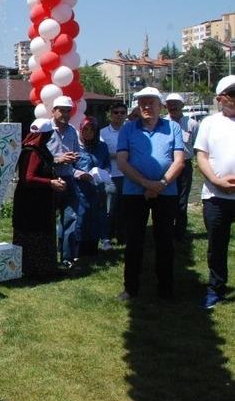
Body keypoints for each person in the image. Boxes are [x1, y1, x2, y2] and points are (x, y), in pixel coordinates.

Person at [116, 87, 184, 300]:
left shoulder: (172, 127)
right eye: (142, 103)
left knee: (164, 240)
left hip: (166, 192)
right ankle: (131, 288)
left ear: (160, 105)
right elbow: (121, 162)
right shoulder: (128, 129)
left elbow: (179, 161)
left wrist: (160, 184)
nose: (146, 106)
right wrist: (146, 183)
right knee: (134, 241)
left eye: (151, 103)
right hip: (134, 193)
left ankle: (166, 288)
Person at [195, 76, 235, 309]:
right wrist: (216, 180)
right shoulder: (210, 123)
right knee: (217, 246)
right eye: (231, 95)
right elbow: (202, 156)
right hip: (216, 197)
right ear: (220, 99)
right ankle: (216, 289)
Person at [13, 118, 66, 277]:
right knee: (34, 232)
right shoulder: (32, 152)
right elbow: (27, 178)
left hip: (39, 199)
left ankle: (44, 267)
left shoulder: (37, 149)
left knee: (41, 231)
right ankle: (35, 269)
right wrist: (50, 182)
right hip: (32, 202)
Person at [47, 95, 83, 268]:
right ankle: (48, 256)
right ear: (53, 111)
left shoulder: (72, 131)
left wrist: (73, 157)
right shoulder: (45, 130)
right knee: (48, 219)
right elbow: (36, 156)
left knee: (71, 217)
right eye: (62, 110)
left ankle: (67, 257)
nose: (66, 114)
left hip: (68, 178)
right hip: (50, 179)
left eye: (68, 111)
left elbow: (76, 153)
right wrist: (58, 159)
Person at [165, 93, 199, 239]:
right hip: (167, 166)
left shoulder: (192, 124)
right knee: (167, 199)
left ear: (182, 106)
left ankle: (180, 233)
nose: (172, 106)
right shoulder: (162, 123)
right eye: (170, 103)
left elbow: (197, 146)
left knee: (182, 200)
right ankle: (165, 229)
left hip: (185, 166)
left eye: (176, 103)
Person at [75, 117, 110, 257]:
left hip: (97, 186)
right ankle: (78, 249)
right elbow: (69, 168)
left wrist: (104, 173)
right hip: (80, 187)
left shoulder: (102, 146)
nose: (88, 133)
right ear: (81, 130)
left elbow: (107, 164)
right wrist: (80, 174)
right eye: (86, 129)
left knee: (96, 216)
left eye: (92, 130)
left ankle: (92, 248)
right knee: (81, 216)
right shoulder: (75, 145)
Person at [99, 103, 128, 248]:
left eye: (122, 112)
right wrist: (121, 155)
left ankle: (123, 236)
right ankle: (107, 237)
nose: (119, 115)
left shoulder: (130, 130)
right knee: (110, 209)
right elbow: (102, 154)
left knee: (125, 208)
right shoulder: (103, 132)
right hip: (111, 175)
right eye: (116, 112)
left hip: (128, 175)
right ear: (111, 114)